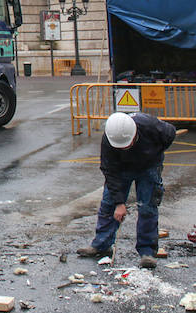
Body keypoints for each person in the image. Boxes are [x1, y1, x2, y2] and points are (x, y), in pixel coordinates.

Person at [77, 110, 181, 268]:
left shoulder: (150, 125)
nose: (126, 147)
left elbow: (170, 134)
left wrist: (155, 156)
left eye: (129, 143)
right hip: (121, 169)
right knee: (109, 205)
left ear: (135, 134)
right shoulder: (109, 139)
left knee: (148, 207)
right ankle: (101, 245)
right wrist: (119, 203)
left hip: (149, 167)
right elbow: (109, 171)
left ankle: (147, 252)